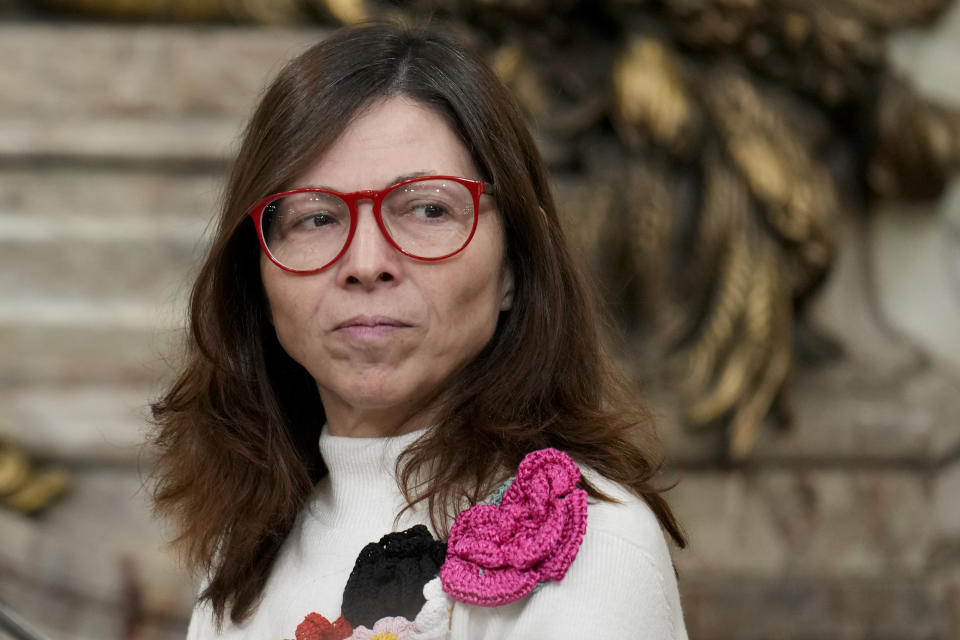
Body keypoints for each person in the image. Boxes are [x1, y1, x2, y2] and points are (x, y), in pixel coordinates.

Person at [151, 20, 688, 640]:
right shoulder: (246, 549)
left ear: (516, 260)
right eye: (315, 217)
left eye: (429, 209)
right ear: (256, 271)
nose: (366, 264)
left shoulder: (594, 543)